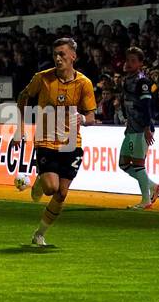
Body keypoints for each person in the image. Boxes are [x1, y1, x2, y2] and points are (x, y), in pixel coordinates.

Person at [12, 36, 97, 247]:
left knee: (62, 192)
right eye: (55, 55)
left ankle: (39, 234)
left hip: (71, 144)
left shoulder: (84, 83)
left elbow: (92, 117)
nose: (58, 59)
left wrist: (84, 119)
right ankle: (41, 181)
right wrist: (19, 128)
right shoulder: (42, 78)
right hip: (46, 140)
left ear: (73, 56)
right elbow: (23, 97)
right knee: (51, 188)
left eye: (62, 54)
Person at [117, 46, 159, 209]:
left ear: (140, 63)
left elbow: (146, 105)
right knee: (123, 163)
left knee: (138, 164)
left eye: (133, 61)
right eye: (128, 60)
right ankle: (152, 186)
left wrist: (147, 128)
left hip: (141, 129)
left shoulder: (142, 81)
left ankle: (145, 200)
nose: (129, 63)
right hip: (131, 129)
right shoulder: (126, 80)